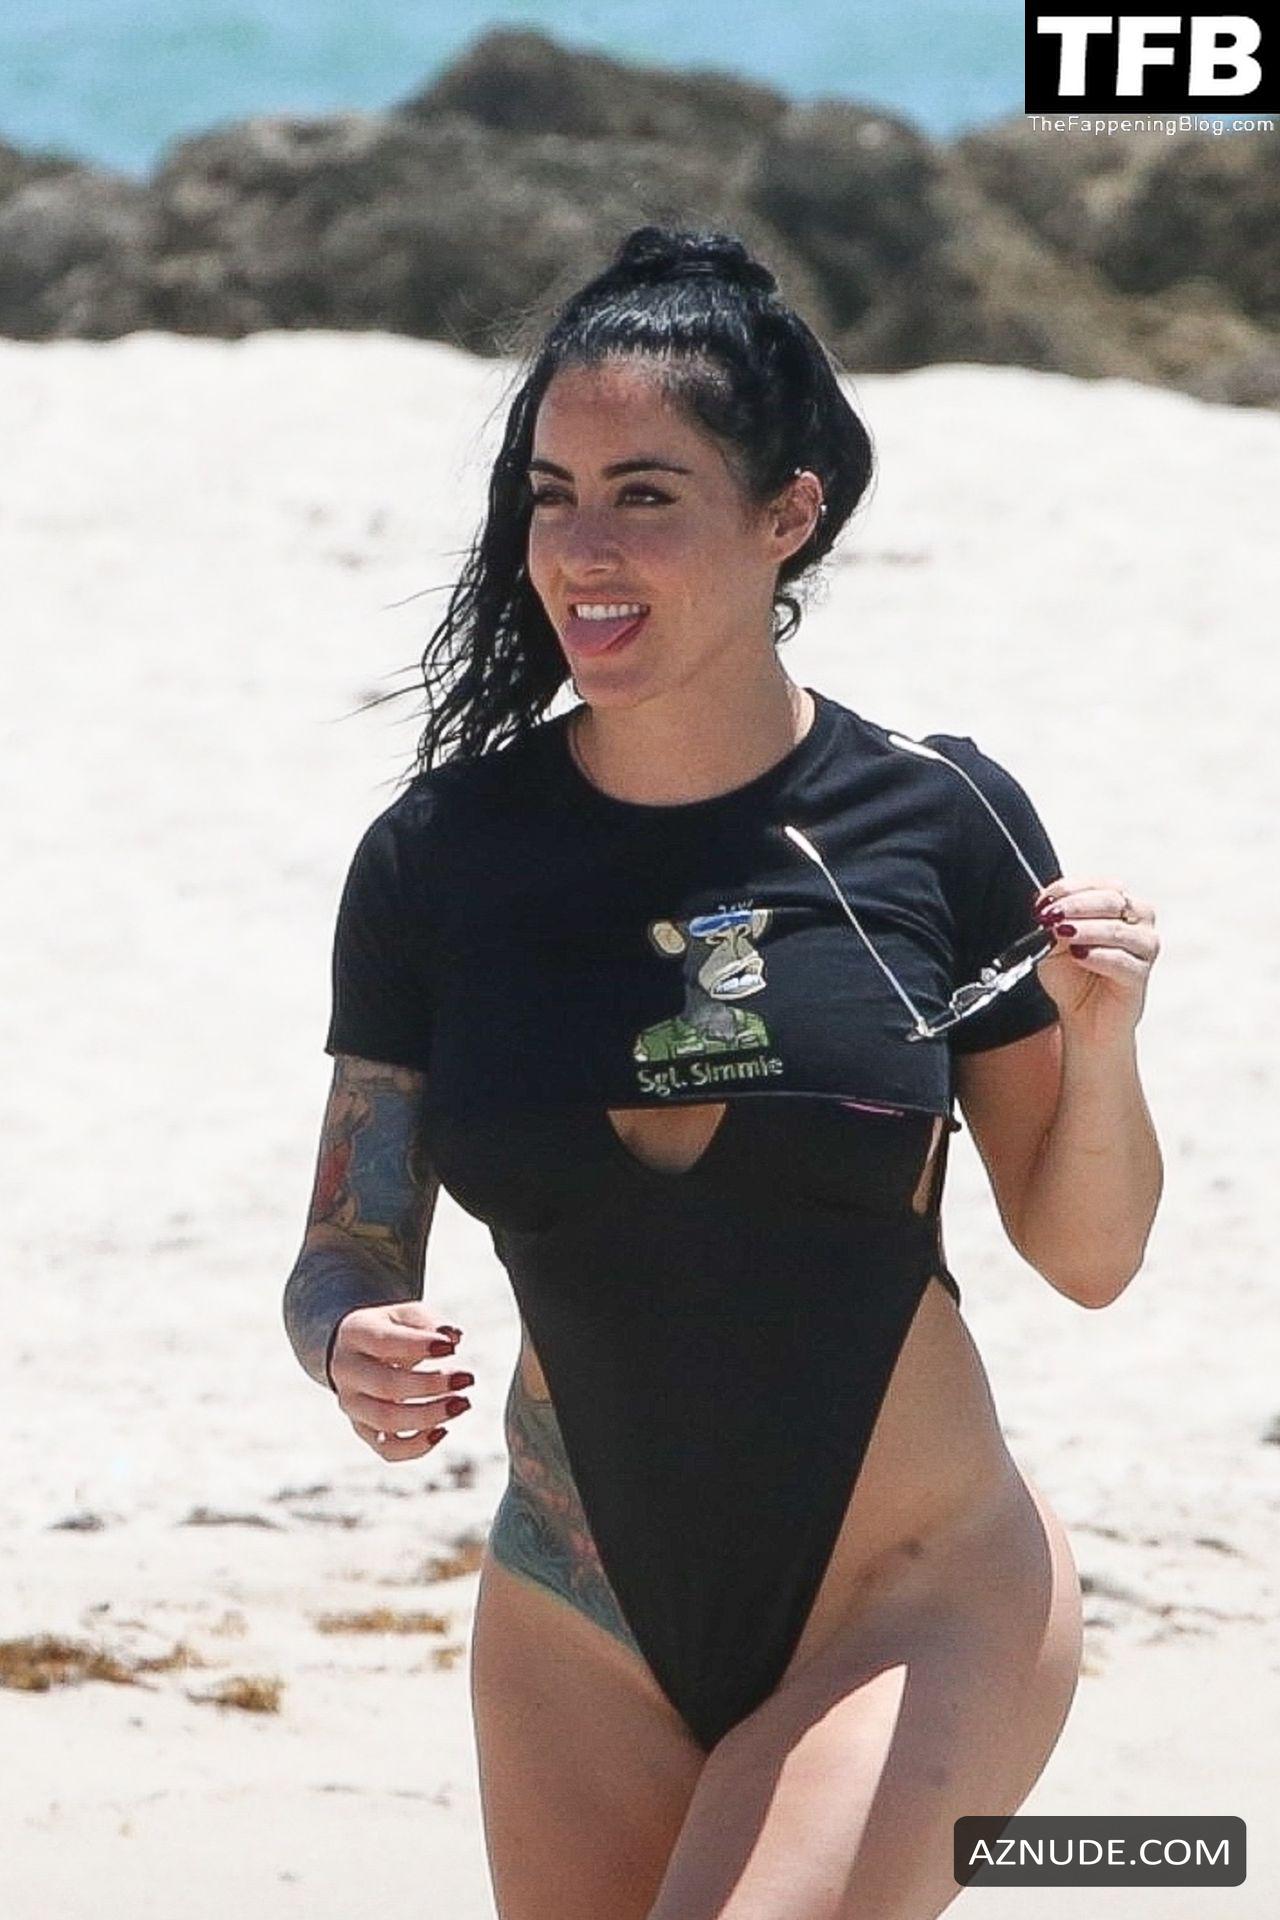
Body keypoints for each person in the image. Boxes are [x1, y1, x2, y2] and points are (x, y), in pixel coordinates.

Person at [283, 225, 1163, 1920]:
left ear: (787, 517)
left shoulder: (932, 818)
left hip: (909, 1600)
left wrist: (1106, 1049)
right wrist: (349, 1342)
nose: (582, 550)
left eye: (647, 494)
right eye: (551, 495)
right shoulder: (439, 859)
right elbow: (344, 1245)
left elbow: (1089, 1254)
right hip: (578, 1624)